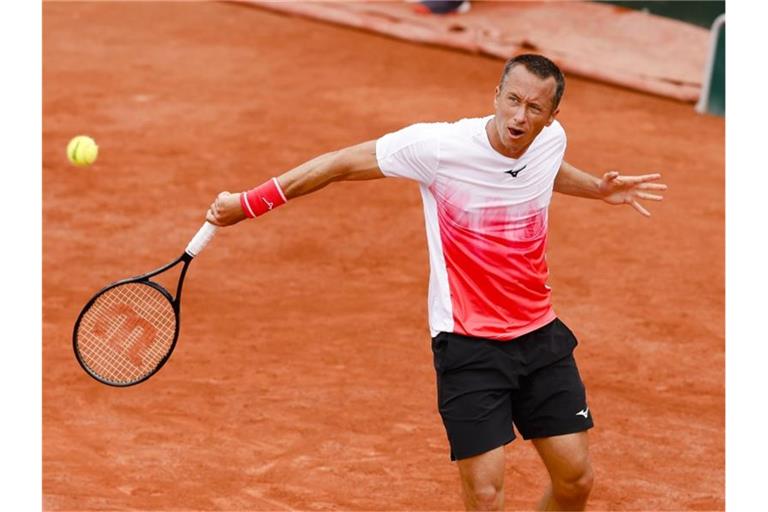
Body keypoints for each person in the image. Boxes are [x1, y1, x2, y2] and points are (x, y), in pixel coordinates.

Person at [205, 54, 666, 511]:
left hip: (539, 337)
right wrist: (246, 204)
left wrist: (597, 189)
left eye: (534, 109)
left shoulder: (551, 142)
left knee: (576, 481)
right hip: (469, 345)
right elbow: (339, 164)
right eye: (513, 100)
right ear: (496, 96)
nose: (519, 116)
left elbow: (542, 172)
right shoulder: (438, 148)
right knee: (485, 498)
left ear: (551, 118)